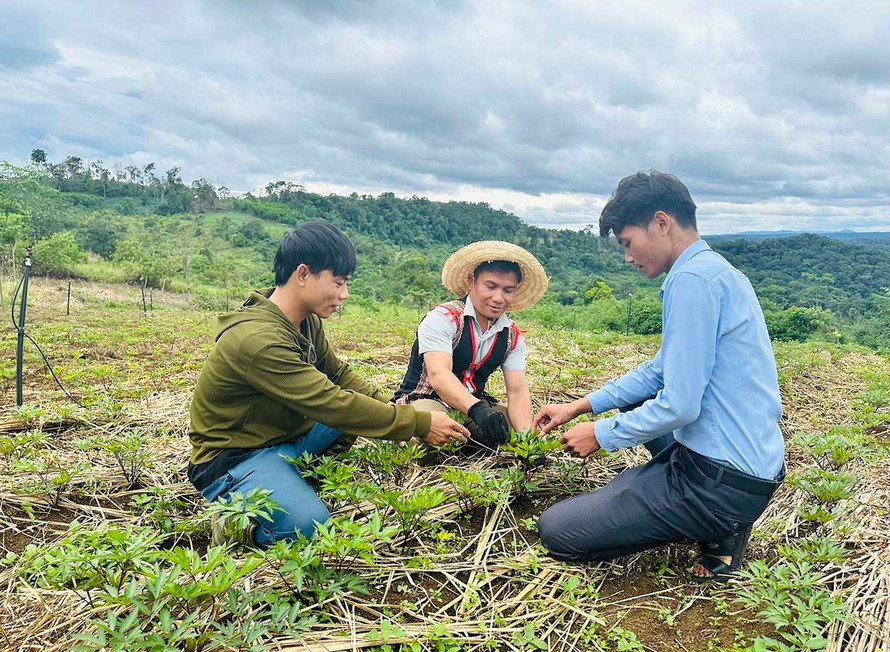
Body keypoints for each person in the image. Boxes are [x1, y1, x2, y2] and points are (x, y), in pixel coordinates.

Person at [533, 171, 785, 581]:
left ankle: (719, 526)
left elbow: (681, 405)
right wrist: (580, 406)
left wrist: (601, 433)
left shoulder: (690, 281)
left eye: (628, 243)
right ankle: (705, 510)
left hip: (720, 486)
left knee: (557, 531)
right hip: (754, 470)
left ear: (661, 222)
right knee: (635, 398)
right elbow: (659, 371)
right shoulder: (716, 271)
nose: (628, 257)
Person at [188, 221, 469, 547]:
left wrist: (396, 408)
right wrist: (416, 423)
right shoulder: (259, 340)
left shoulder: (302, 320)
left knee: (358, 414)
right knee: (310, 527)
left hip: (285, 436)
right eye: (337, 282)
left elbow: (338, 376)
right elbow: (331, 402)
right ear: (303, 274)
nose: (344, 294)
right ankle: (239, 522)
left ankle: (293, 485)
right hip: (235, 458)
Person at [393, 241, 548, 447]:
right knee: (428, 431)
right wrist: (478, 410)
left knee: (510, 430)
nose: (498, 298)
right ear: (471, 282)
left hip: (472, 405)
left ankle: (472, 441)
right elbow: (439, 375)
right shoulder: (445, 318)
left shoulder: (512, 336)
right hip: (428, 399)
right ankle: (408, 435)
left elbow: (517, 390)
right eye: (491, 286)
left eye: (508, 290)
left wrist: (526, 442)